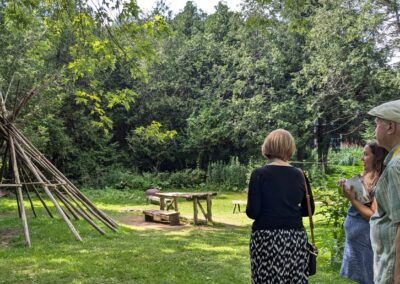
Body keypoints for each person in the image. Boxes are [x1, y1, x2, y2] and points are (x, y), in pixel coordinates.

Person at [246, 129, 315, 283]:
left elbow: (253, 212)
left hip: (266, 238)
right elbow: (308, 209)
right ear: (290, 148)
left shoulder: (259, 174)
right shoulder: (300, 175)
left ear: (268, 146)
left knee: (265, 279)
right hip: (295, 237)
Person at [339, 141, 388, 284]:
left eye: (366, 154)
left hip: (368, 241)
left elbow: (373, 215)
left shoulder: (381, 181)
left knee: (371, 279)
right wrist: (346, 189)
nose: (362, 158)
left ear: (377, 157)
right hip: (357, 242)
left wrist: (353, 200)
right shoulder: (364, 177)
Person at [367, 99, 400, 284]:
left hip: (392, 266)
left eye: (377, 124)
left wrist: (397, 277)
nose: (374, 131)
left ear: (390, 127)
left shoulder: (397, 165)